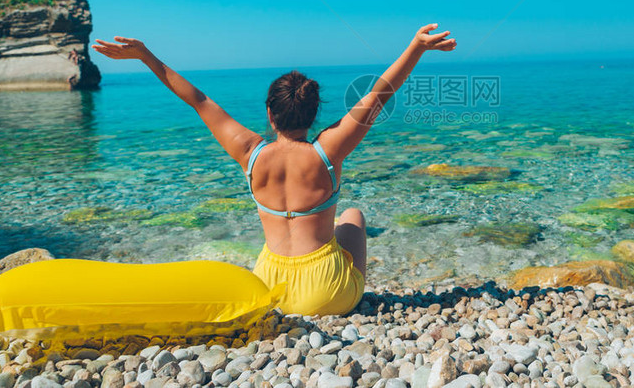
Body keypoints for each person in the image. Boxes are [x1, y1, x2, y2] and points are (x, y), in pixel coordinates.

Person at [91, 24, 456, 315]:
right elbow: (378, 94)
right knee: (353, 215)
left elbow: (197, 100)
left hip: (271, 291)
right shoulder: (328, 152)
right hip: (328, 294)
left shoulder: (250, 153)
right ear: (314, 116)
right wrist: (417, 47)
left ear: (269, 113)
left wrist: (145, 56)